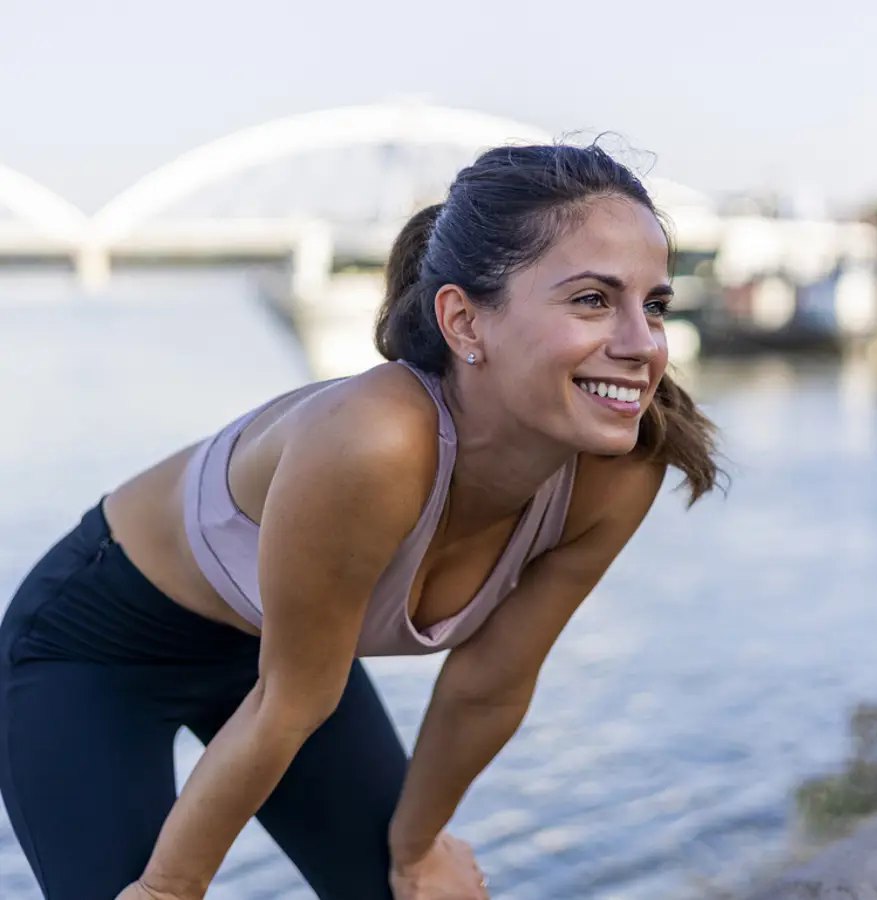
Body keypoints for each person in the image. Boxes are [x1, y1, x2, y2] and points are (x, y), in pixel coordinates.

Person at [0, 141, 723, 900]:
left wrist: (416, 856)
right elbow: (290, 699)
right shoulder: (375, 440)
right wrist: (167, 889)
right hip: (94, 652)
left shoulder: (621, 470)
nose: (642, 344)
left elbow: (489, 684)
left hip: (291, 662)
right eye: (591, 299)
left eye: (654, 305)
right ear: (465, 322)